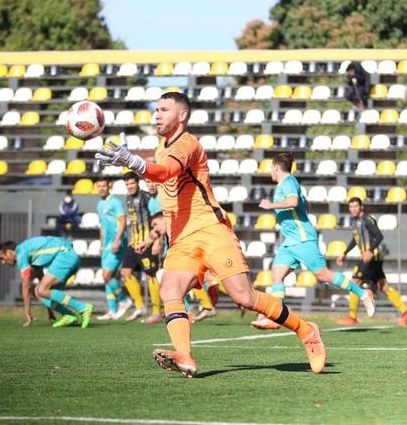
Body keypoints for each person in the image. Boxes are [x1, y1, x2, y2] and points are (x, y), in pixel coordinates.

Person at [96, 91, 327, 377]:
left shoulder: (188, 143)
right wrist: (136, 165)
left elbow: (167, 172)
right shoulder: (160, 149)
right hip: (181, 240)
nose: (156, 115)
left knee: (243, 298)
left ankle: (307, 332)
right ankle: (185, 355)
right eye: (155, 110)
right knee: (170, 290)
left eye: (164, 110)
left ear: (182, 115)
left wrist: (134, 163)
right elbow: (161, 176)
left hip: (211, 230)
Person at [250, 152, 375, 330]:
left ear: (276, 167)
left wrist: (272, 205)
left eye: (271, 167)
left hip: (302, 238)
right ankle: (275, 317)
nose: (270, 170)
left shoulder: (289, 181)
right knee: (276, 275)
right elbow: (304, 204)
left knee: (323, 275)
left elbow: (293, 201)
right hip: (290, 241)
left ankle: (363, 294)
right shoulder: (284, 186)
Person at [336, 197, 407, 326]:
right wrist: (344, 253)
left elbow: (379, 236)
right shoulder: (356, 221)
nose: (353, 209)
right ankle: (406, 313)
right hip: (373, 259)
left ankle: (352, 317)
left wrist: (370, 250)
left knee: (354, 283)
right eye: (351, 207)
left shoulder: (367, 219)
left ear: (361, 207)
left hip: (372, 258)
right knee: (384, 287)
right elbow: (356, 240)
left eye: (356, 206)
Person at [0, 237, 94, 329]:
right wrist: (50, 310)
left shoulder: (21, 254)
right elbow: (42, 282)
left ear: (9, 252)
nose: (3, 262)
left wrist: (27, 312)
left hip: (65, 256)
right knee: (39, 292)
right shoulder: (30, 253)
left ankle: (83, 307)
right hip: (70, 257)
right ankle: (68, 315)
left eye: (2, 258)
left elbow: (26, 285)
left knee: (41, 290)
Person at [118, 171, 162, 323]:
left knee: (151, 274)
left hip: (147, 242)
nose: (130, 186)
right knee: (125, 272)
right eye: (127, 184)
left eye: (132, 183)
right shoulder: (128, 199)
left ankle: (156, 311)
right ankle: (140, 307)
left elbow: (157, 220)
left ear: (137, 183)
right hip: (134, 243)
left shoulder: (147, 197)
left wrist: (156, 241)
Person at [95, 178, 132, 320]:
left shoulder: (115, 201)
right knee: (106, 277)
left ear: (109, 186)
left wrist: (117, 240)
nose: (101, 188)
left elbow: (123, 221)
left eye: (104, 186)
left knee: (107, 276)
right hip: (106, 245)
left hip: (117, 244)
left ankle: (124, 300)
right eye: (99, 186)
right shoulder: (99, 204)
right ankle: (112, 310)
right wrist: (101, 244)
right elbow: (102, 226)